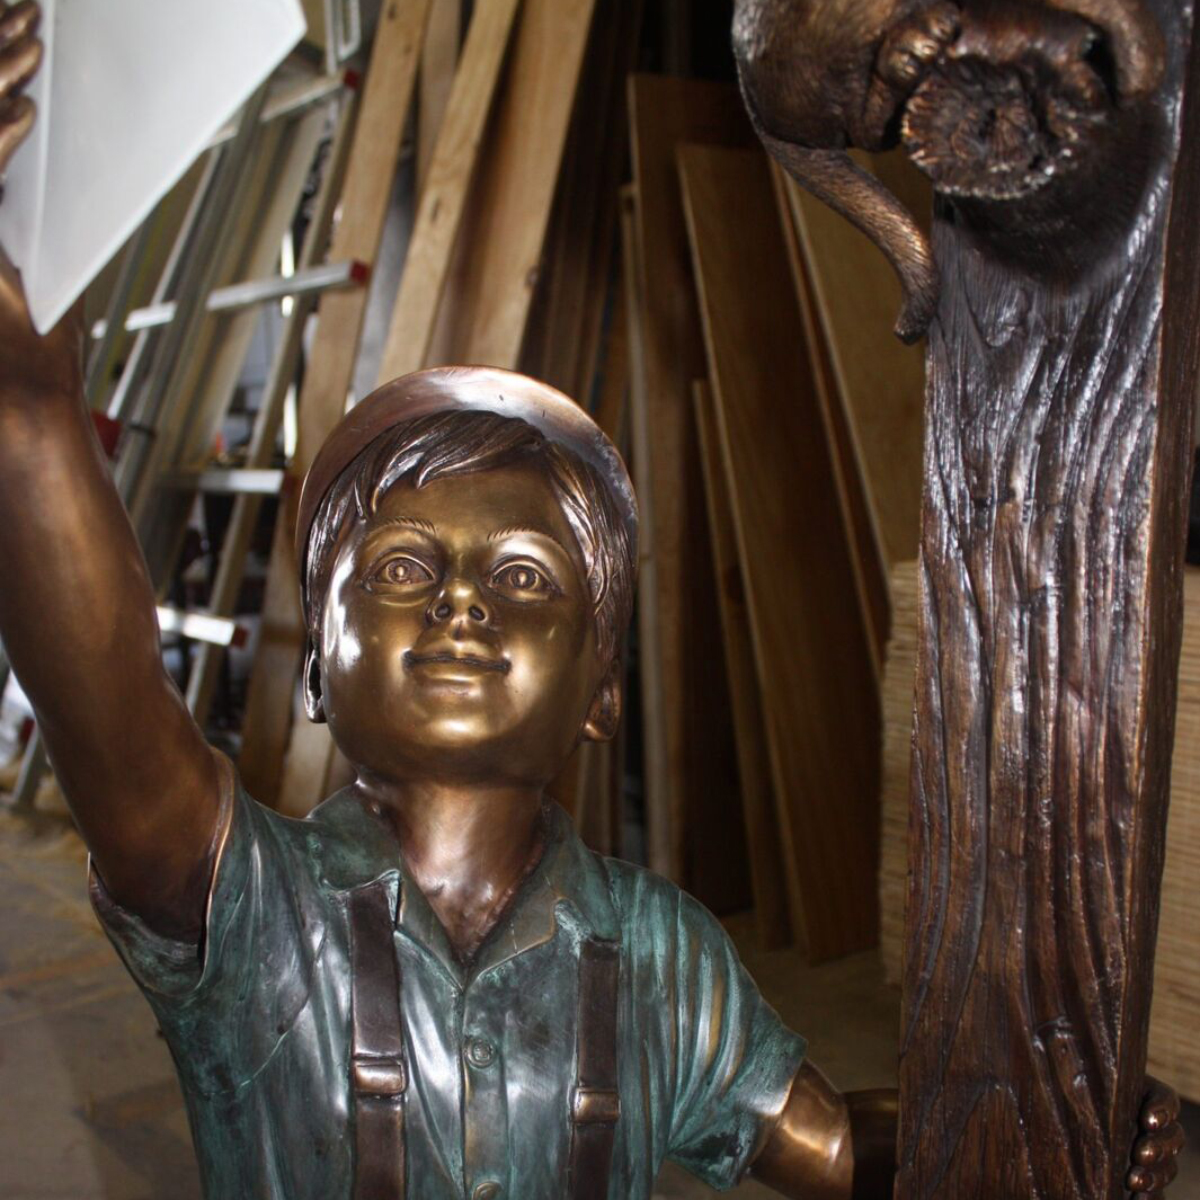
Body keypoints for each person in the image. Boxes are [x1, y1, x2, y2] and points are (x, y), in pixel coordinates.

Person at [0, 3, 1183, 1197]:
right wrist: (30, 409)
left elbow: (828, 1146)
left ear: (602, 687)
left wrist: (1039, 1127)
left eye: (523, 577)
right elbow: (108, 709)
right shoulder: (252, 912)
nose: (463, 603)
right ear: (318, 666)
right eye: (405, 569)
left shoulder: (658, 957)